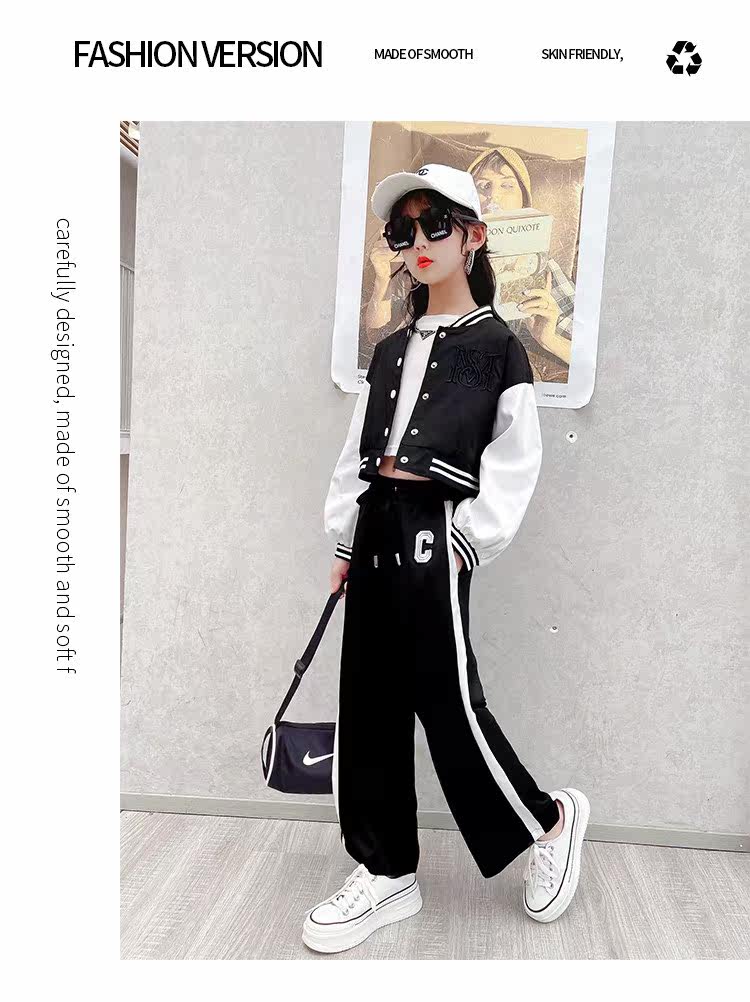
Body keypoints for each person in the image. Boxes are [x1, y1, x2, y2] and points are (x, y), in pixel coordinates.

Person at [303, 164, 589, 954]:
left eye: (436, 225)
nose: (418, 242)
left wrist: (468, 539)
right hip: (377, 524)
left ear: (474, 236)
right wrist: (345, 540)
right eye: (403, 231)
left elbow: (517, 457)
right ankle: (387, 868)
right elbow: (359, 452)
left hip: (439, 526)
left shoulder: (496, 346)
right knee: (368, 701)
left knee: (448, 701)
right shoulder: (392, 349)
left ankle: (549, 821)